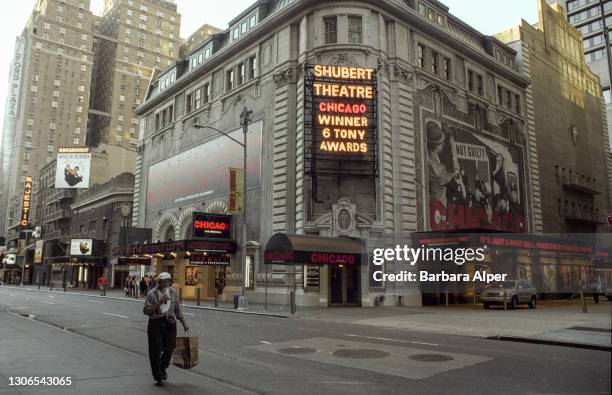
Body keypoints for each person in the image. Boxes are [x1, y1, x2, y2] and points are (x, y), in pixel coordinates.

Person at [143, 272, 189, 387]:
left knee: (169, 349)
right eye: (164, 282)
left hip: (170, 322)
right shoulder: (151, 294)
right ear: (159, 283)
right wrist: (159, 302)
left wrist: (184, 322)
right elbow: (147, 311)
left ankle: (162, 368)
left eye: (168, 281)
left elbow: (177, 309)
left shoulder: (173, 292)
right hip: (156, 323)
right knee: (155, 351)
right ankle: (157, 377)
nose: (166, 284)